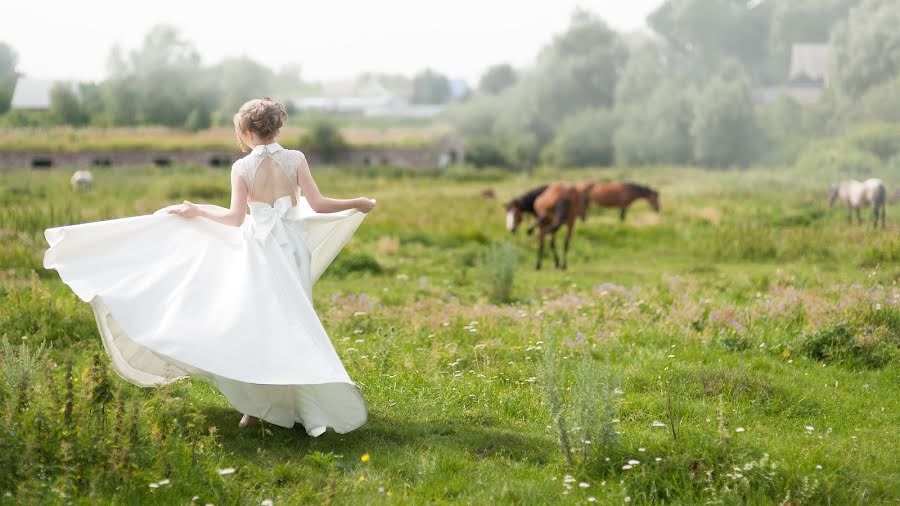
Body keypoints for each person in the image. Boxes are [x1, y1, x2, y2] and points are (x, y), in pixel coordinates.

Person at [44, 97, 375, 436]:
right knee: (291, 323)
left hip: (259, 251)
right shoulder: (296, 159)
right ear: (278, 126)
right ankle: (290, 404)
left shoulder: (242, 168)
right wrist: (357, 203)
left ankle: (258, 409)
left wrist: (198, 213)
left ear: (246, 132)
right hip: (292, 251)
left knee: (258, 325)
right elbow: (317, 204)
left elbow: (233, 219)